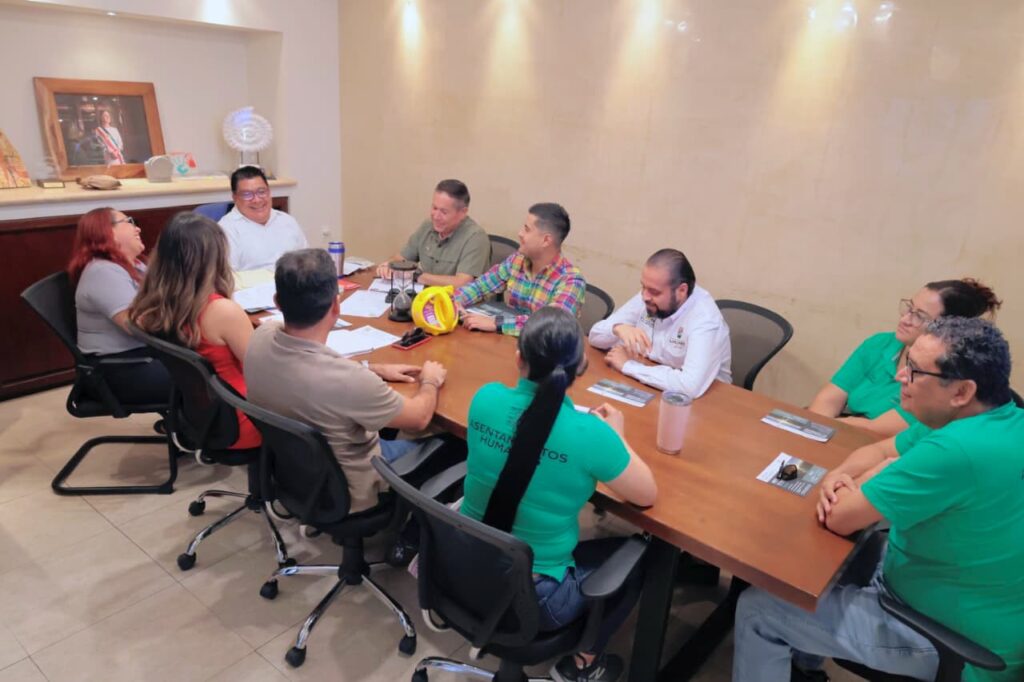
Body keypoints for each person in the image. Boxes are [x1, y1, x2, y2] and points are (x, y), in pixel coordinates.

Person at [734, 317, 1024, 682]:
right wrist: (842, 475)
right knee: (810, 566)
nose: (901, 377)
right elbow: (882, 450)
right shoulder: (998, 416)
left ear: (962, 391)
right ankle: (804, 669)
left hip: (950, 640)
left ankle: (796, 660)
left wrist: (868, 476)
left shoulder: (955, 450)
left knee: (759, 612)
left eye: (915, 370)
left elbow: (840, 518)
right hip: (945, 582)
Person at [461, 307, 657, 682]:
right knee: (643, 555)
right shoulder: (589, 434)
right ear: (579, 368)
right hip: (537, 601)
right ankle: (584, 662)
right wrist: (616, 436)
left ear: (518, 358)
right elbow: (646, 494)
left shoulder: (484, 399)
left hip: (463, 565)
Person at [244, 248, 450, 513]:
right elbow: (419, 417)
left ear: (277, 301)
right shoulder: (349, 382)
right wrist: (430, 380)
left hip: (299, 476)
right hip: (354, 492)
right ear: (336, 305)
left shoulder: (260, 337)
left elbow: (320, 367)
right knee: (454, 444)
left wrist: (371, 368)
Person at [129, 212, 261, 450]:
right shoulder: (222, 311)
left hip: (205, 416)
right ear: (215, 258)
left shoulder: (150, 306)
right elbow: (264, 371)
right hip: (243, 419)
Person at [808, 278, 1001, 436]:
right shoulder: (880, 343)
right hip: (840, 431)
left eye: (920, 316)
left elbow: (877, 430)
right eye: (909, 308)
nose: (905, 319)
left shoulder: (943, 375)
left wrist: (830, 427)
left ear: (948, 329)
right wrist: (813, 430)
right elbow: (829, 398)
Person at [588, 248, 731, 397]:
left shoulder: (705, 319)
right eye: (643, 287)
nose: (645, 296)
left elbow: (689, 385)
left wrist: (628, 366)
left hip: (707, 400)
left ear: (681, 291)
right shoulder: (649, 295)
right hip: (654, 382)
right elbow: (594, 337)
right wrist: (618, 328)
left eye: (654, 292)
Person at [67, 207, 171, 405]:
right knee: (206, 379)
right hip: (118, 370)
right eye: (129, 221)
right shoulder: (103, 272)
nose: (137, 228)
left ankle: (194, 421)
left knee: (212, 365)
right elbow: (138, 325)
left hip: (143, 355)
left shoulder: (135, 264)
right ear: (106, 231)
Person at [453, 203, 585, 337]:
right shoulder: (517, 260)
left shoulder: (571, 280)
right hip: (507, 342)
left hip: (540, 347)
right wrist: (455, 301)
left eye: (527, 229)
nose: (520, 233)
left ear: (546, 240)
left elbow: (550, 324)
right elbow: (480, 287)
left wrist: (496, 323)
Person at [375, 179, 490, 287]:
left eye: (444, 212)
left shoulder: (475, 237)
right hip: (426, 296)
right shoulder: (428, 226)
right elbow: (400, 258)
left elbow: (462, 283)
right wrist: (389, 265)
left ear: (462, 212)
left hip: (456, 300)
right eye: (434, 208)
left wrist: (417, 276)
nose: (436, 216)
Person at [218, 166, 308, 271]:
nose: (257, 200)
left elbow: (306, 263)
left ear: (269, 192)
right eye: (247, 194)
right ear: (235, 198)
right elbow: (227, 277)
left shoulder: (287, 221)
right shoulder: (226, 230)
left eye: (261, 192)